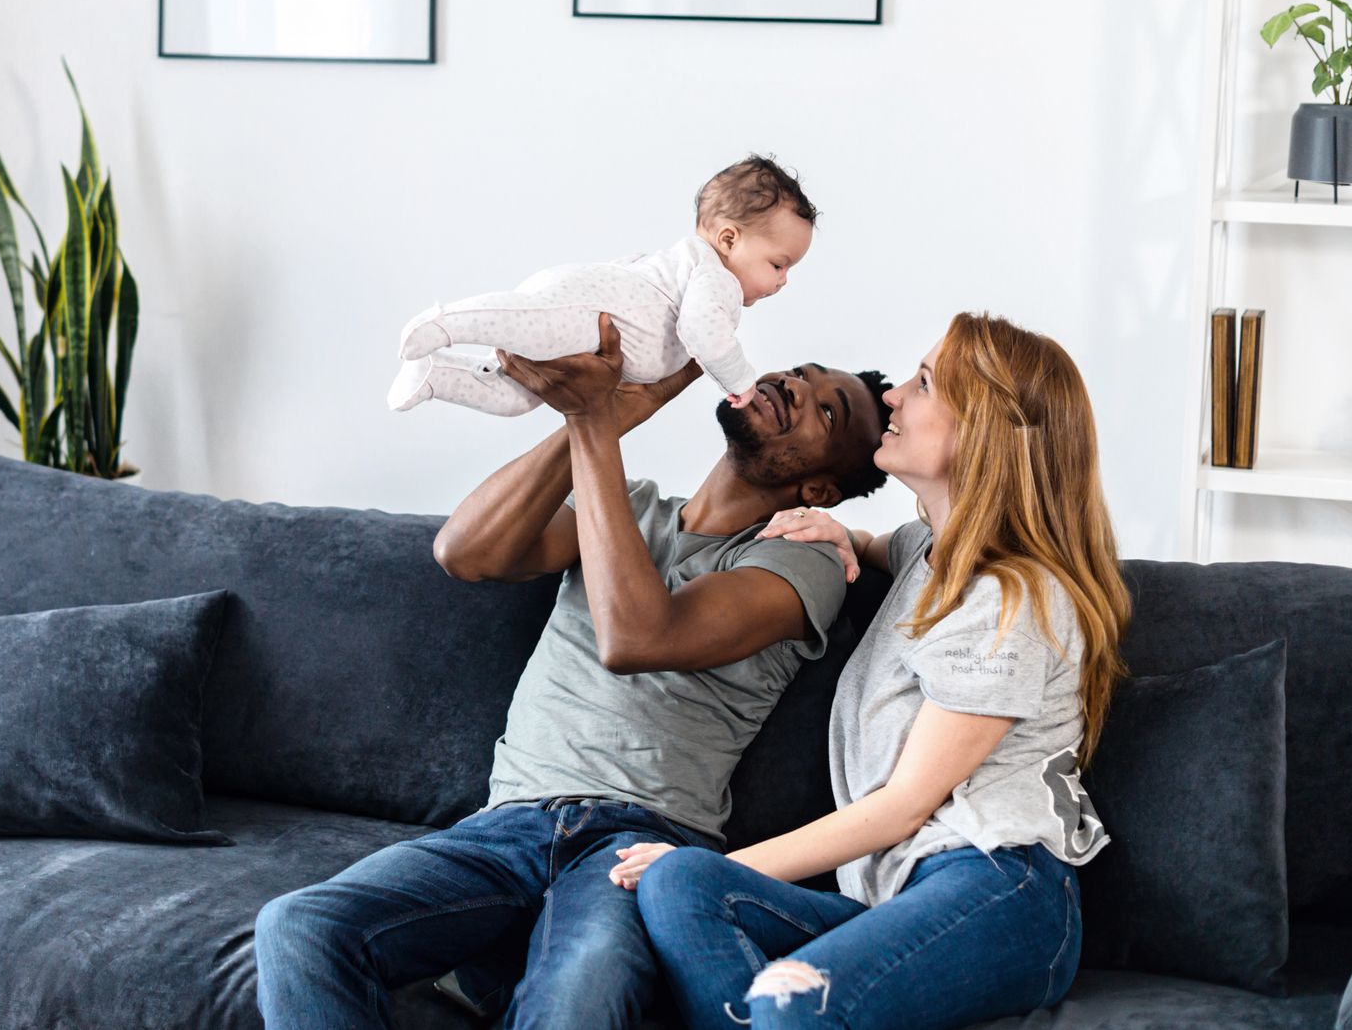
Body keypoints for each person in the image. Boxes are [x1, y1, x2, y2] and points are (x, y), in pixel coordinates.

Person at [254, 315, 893, 1029]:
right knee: (301, 927)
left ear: (820, 491)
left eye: (825, 410)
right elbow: (464, 551)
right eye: (799, 374)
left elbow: (638, 634)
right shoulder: (628, 505)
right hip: (505, 828)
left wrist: (594, 420)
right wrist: (610, 413)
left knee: (576, 1003)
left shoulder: (802, 562)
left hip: (637, 845)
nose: (795, 388)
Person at [610, 312, 1132, 1030]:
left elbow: (904, 806)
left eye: (923, 385)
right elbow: (886, 543)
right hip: (894, 896)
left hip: (1001, 889)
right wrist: (841, 532)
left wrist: (743, 860)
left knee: (789, 1002)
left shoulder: (1009, 597)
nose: (893, 398)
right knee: (679, 884)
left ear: (982, 431)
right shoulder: (932, 549)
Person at [387, 154, 814, 417]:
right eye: (779, 264)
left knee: (518, 399)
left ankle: (434, 375)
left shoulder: (680, 267)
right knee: (522, 325)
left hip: (587, 327)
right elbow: (703, 330)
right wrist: (740, 381)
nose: (784, 280)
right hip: (585, 313)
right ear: (728, 239)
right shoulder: (715, 278)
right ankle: (444, 323)